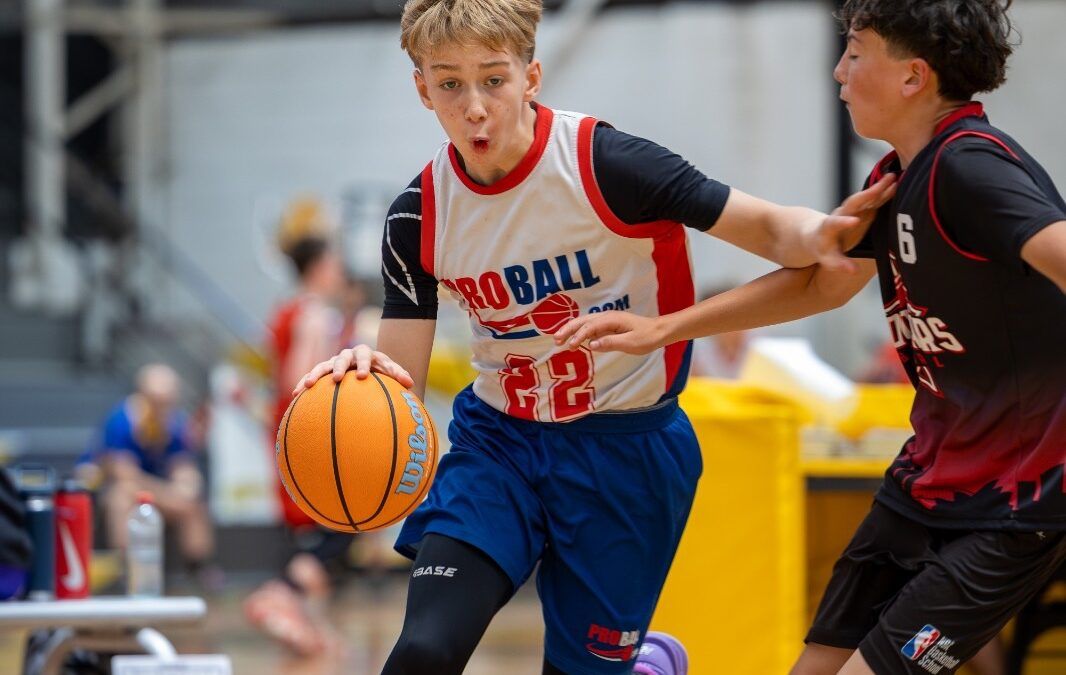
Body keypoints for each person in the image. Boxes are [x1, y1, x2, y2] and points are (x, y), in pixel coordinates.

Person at [293, 0, 894, 672]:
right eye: (450, 83)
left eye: (493, 79)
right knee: (423, 651)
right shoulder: (418, 214)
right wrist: (361, 377)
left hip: (626, 450)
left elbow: (768, 228)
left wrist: (817, 232)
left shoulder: (608, 164)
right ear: (422, 88)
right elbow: (398, 392)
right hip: (502, 445)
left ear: (531, 75)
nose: (475, 107)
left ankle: (643, 664)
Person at [555, 2, 1066, 674]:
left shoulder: (973, 169)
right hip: (926, 483)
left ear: (913, 78)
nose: (837, 72)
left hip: (1016, 496)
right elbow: (820, 283)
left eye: (856, 54)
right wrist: (664, 328)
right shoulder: (894, 176)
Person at [244, 222, 354, 657]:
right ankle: (278, 594)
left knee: (312, 537)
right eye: (336, 263)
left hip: (289, 433)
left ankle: (308, 628)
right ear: (320, 267)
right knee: (344, 525)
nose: (341, 271)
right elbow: (297, 380)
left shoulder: (287, 308)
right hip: (310, 434)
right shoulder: (314, 314)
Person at [78, 363, 218, 585]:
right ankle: (126, 568)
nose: (163, 407)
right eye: (157, 400)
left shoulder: (174, 422)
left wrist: (187, 483)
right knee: (122, 495)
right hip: (113, 491)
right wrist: (171, 494)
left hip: (156, 492)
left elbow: (182, 465)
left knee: (192, 502)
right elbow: (125, 475)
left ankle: (199, 569)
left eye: (168, 401)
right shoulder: (121, 421)